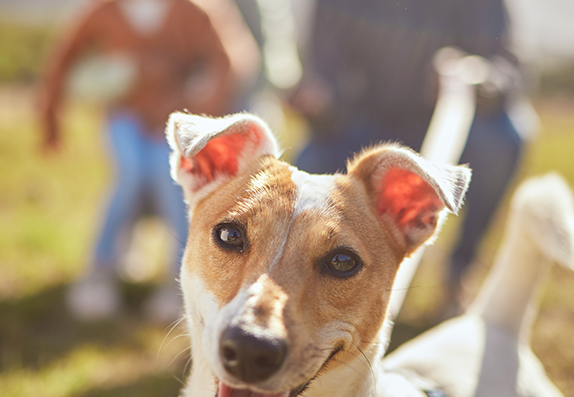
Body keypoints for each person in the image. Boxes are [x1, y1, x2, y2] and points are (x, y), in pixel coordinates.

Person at [290, 0, 535, 315]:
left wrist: (476, 73)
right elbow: (323, 69)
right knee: (312, 160)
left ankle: (458, 272)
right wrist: (319, 98)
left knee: (504, 137)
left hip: (452, 123)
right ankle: (303, 273)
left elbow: (509, 68)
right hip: (360, 122)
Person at [38, 0, 246, 323]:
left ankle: (179, 281)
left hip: (173, 118)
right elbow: (64, 55)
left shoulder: (192, 11)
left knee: (169, 180)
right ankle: (100, 269)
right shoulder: (104, 11)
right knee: (132, 173)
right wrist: (50, 115)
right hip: (126, 116)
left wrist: (202, 103)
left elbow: (228, 59)